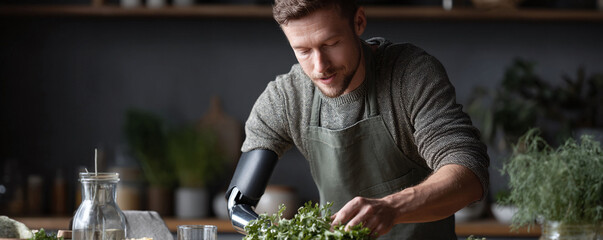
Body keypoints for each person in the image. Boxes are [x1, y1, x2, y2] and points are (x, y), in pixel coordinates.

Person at [226, 0, 490, 239]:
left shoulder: (410, 76)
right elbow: (237, 204)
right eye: (303, 50)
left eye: (331, 44)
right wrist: (279, 235)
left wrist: (391, 208)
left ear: (359, 21)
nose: (320, 66)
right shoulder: (286, 98)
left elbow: (469, 173)